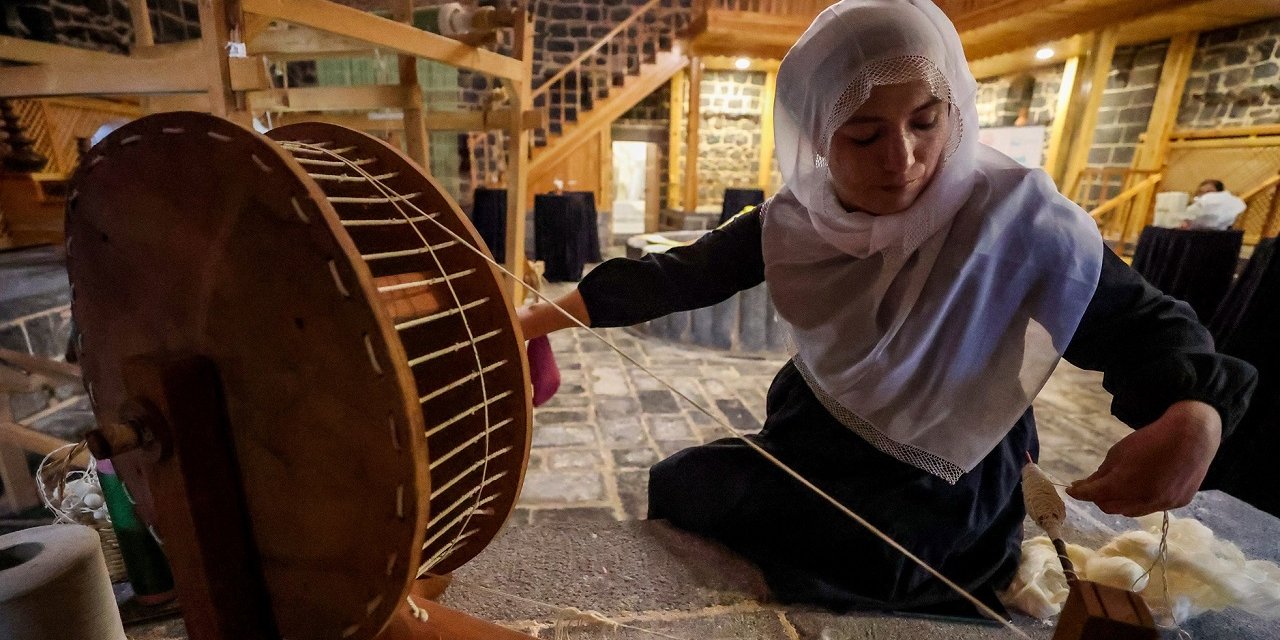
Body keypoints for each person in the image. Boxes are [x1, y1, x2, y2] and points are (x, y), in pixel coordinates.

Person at [517, 0, 1256, 617]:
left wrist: (1198, 413)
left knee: (892, 566)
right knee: (685, 484)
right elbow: (675, 277)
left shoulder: (1017, 222)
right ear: (815, 134)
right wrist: (526, 324)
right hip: (818, 440)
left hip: (946, 480)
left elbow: (1148, 326)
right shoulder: (798, 220)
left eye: (926, 121)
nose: (900, 159)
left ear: (956, 110)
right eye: (863, 134)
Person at [1182, 179, 1247, 230]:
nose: (1205, 195)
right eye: (1201, 192)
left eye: (1209, 192)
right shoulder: (1196, 205)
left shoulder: (1228, 207)